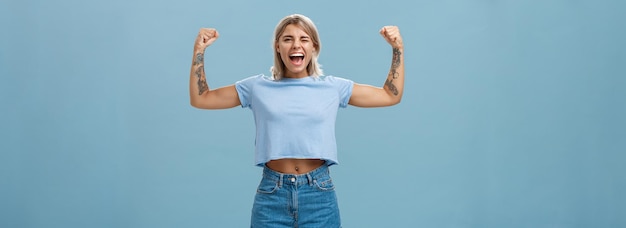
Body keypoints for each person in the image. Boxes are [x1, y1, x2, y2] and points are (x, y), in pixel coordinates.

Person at [189, 14, 404, 228]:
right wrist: (199, 51)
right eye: (287, 39)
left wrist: (397, 49)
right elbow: (201, 98)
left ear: (314, 47)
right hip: (272, 195)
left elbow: (390, 95)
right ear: (277, 46)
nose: (296, 45)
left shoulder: (333, 88)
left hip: (319, 195)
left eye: (304, 39)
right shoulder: (256, 87)